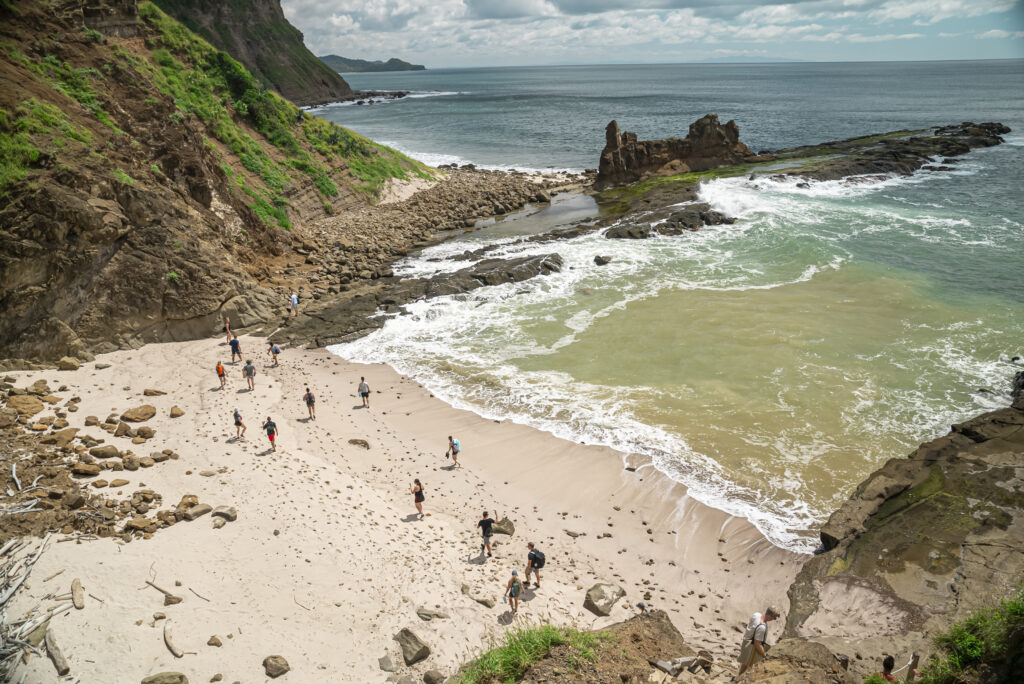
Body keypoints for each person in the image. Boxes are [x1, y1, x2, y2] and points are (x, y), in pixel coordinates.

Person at [737, 606, 779, 676]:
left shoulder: (756, 615)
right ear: (770, 616)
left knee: (745, 661)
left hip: (746, 641)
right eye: (774, 618)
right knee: (750, 665)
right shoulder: (761, 627)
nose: (773, 619)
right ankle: (740, 678)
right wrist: (764, 655)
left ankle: (739, 675)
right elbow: (757, 644)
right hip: (752, 646)